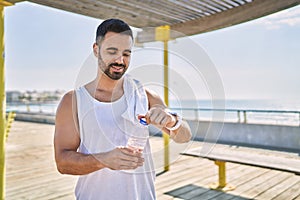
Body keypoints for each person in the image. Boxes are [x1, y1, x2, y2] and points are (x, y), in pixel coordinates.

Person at [54, 18, 192, 200]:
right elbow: (63, 163)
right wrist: (103, 160)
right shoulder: (73, 101)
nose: (120, 60)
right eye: (112, 51)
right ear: (96, 50)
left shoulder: (144, 96)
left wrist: (172, 121)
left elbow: (184, 136)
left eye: (126, 54)